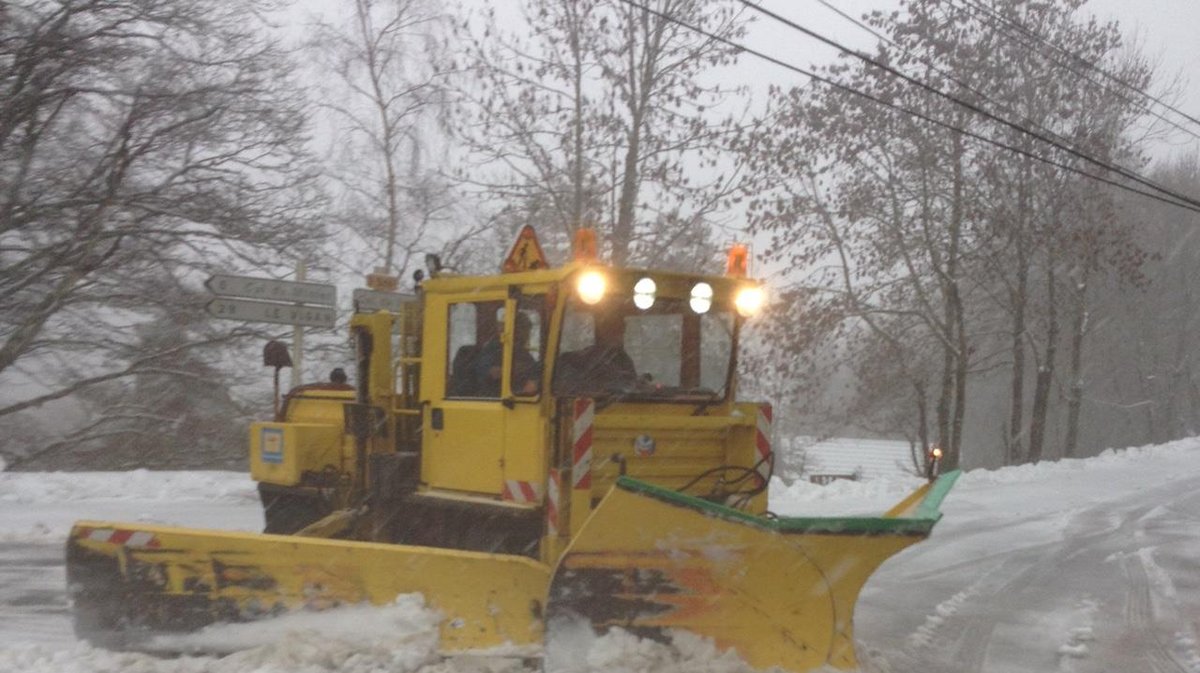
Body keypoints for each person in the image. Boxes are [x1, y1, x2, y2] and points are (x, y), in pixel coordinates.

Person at [473, 312, 540, 397]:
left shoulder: (521, 352)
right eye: (523, 329)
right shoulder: (493, 348)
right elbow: (489, 372)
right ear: (511, 329)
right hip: (495, 398)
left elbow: (533, 372)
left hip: (520, 396)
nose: (526, 334)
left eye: (527, 330)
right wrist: (518, 369)